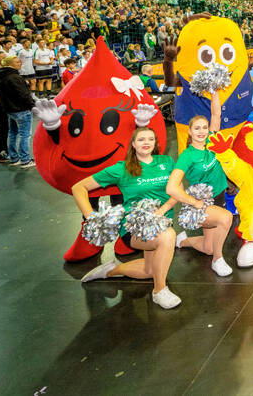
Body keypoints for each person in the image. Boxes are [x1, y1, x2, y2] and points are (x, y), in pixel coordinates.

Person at [74, 127, 181, 309]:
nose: (146, 143)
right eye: (141, 140)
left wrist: (163, 209)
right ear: (133, 144)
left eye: (150, 139)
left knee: (150, 270)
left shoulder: (167, 162)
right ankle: (159, 291)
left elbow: (177, 191)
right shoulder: (121, 168)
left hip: (161, 221)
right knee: (168, 236)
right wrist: (91, 216)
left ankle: (110, 270)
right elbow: (78, 188)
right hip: (134, 229)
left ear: (155, 143)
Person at [166, 93, 234, 277]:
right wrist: (194, 202)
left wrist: (214, 91)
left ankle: (182, 241)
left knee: (208, 246)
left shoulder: (212, 141)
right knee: (226, 219)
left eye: (204, 127)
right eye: (197, 128)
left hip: (218, 196)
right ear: (189, 131)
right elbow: (171, 187)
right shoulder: (186, 155)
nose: (202, 131)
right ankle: (218, 260)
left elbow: (216, 113)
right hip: (202, 202)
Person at [0, 55, 35, 167]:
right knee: (25, 135)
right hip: (21, 109)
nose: (20, 63)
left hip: (10, 109)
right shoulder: (14, 77)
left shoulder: (2, 76)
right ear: (9, 64)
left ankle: (14, 158)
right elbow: (23, 94)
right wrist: (32, 105)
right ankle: (25, 160)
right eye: (17, 61)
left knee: (12, 134)